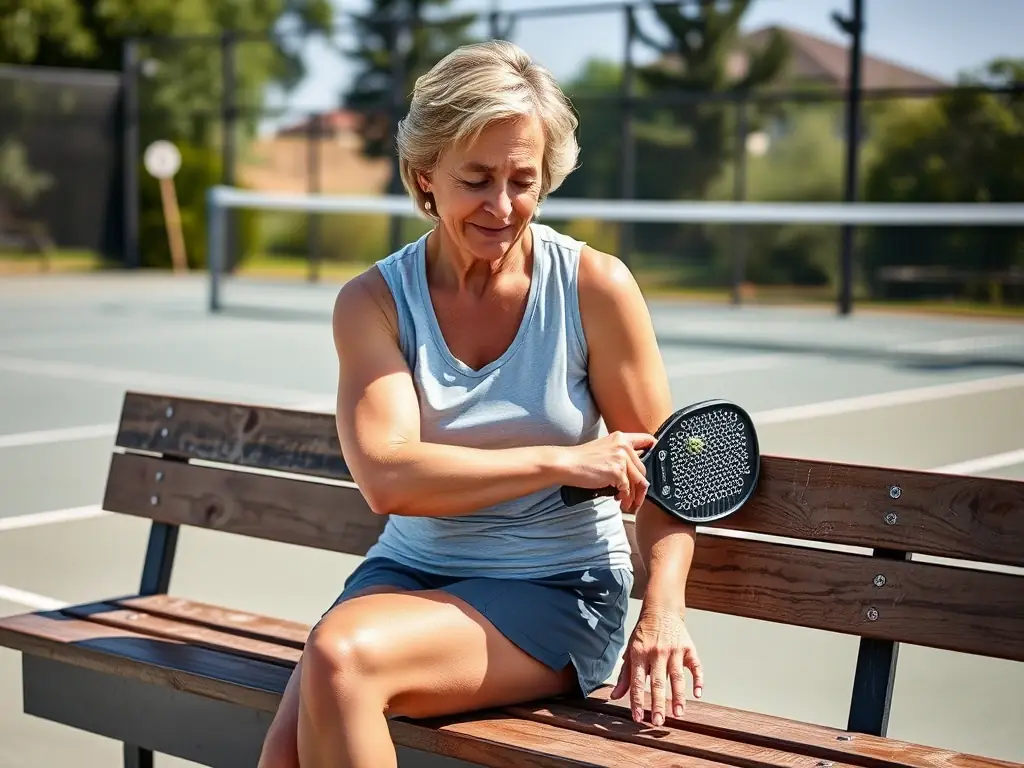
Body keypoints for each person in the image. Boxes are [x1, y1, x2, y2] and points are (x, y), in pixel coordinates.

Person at [258, 39, 704, 768]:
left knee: (339, 662)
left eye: (523, 180)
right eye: (476, 179)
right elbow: (389, 478)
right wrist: (560, 460)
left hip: (558, 587)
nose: (503, 206)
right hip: (407, 572)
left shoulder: (595, 288)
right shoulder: (374, 302)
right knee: (285, 753)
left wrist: (662, 613)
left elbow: (674, 478)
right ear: (423, 175)